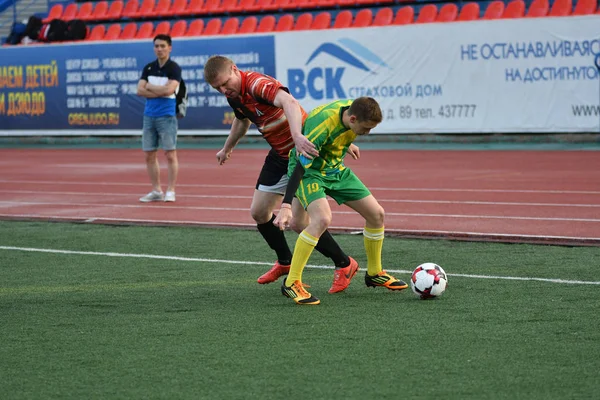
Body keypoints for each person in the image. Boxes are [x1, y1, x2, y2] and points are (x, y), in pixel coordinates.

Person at [204, 55, 360, 292]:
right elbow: (242, 120)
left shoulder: (256, 84)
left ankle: (345, 263)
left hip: (303, 155)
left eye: (225, 84)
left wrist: (298, 136)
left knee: (299, 222)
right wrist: (227, 148)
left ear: (235, 70)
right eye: (217, 88)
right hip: (279, 154)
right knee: (259, 212)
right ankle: (285, 262)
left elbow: (289, 103)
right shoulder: (234, 94)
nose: (223, 90)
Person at [274, 97, 409, 305]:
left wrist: (346, 144)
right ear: (353, 119)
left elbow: (339, 131)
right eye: (366, 128)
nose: (368, 133)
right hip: (311, 173)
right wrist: (285, 205)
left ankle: (374, 273)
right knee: (321, 219)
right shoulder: (323, 124)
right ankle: (291, 283)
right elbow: (301, 166)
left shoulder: (352, 111)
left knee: (377, 214)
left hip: (336, 169)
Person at [137, 34, 182, 203]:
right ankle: (156, 190)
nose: (159, 49)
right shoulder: (148, 68)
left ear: (169, 47)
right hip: (149, 116)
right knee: (149, 154)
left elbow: (168, 91)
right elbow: (139, 90)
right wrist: (157, 89)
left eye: (163, 46)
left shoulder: (174, 68)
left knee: (170, 154)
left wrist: (149, 86)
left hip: (167, 116)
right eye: (156, 46)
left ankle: (171, 190)